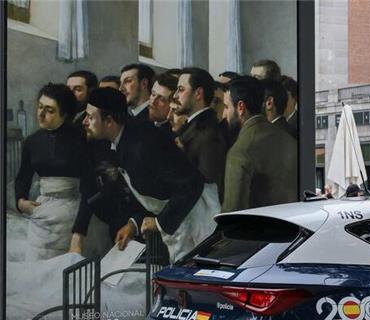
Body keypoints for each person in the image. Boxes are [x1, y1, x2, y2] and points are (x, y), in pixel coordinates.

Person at [82, 88, 212, 262]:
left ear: (109, 121)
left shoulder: (143, 145)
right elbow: (154, 191)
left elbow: (191, 184)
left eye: (90, 117)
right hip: (178, 224)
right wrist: (133, 224)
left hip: (196, 219)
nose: (84, 122)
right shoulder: (124, 142)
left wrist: (159, 223)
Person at [14, 83, 92, 260]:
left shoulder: (81, 139)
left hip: (72, 211)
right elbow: (23, 176)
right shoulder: (32, 142)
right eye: (40, 107)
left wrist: (79, 232)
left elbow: (89, 186)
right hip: (42, 210)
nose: (41, 114)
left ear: (64, 114)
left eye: (49, 110)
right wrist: (20, 202)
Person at [222, 76, 298, 212]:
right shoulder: (288, 140)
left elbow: (232, 214)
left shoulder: (241, 151)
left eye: (226, 107)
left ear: (240, 107)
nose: (223, 114)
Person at [173, 67, 228, 201]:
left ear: (198, 93)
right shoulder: (191, 127)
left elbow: (209, 192)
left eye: (180, 89)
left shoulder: (208, 134)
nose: (174, 96)